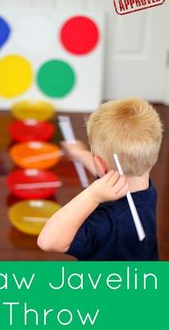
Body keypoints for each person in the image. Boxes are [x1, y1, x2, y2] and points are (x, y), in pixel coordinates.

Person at [37, 98, 163, 260]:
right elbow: (111, 170)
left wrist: (92, 195)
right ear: (153, 156)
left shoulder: (109, 224)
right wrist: (81, 154)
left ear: (101, 165)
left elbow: (47, 241)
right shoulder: (145, 187)